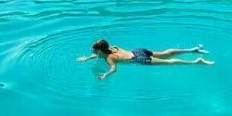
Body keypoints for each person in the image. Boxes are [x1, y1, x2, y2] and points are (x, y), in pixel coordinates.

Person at [77, 39, 213, 80]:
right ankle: (192, 50)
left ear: (100, 50)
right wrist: (87, 58)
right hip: (138, 51)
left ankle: (196, 61)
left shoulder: (110, 57)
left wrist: (105, 75)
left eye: (93, 50)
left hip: (139, 59)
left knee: (168, 62)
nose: (92, 51)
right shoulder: (113, 48)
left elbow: (113, 69)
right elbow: (99, 55)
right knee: (165, 53)